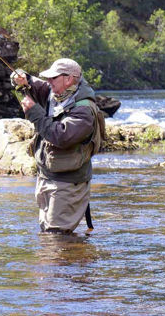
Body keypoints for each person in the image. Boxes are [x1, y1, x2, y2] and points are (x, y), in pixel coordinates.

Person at [11, 58, 100, 234]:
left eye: (53, 78)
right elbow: (32, 84)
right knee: (49, 234)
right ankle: (72, 259)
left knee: (57, 237)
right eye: (48, 78)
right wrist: (20, 78)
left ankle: (72, 261)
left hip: (68, 183)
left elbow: (60, 136)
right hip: (47, 177)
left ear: (69, 79)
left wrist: (33, 112)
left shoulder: (84, 110)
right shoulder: (56, 92)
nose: (48, 82)